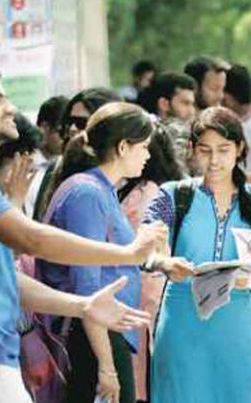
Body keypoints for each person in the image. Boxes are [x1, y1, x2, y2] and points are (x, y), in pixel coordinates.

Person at [0, 63, 167, 403]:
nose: (10, 107)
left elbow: (8, 279)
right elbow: (32, 240)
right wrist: (128, 254)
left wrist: (83, 305)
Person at [37, 102, 191, 403]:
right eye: (144, 147)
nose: (148, 155)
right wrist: (107, 367)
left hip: (106, 330)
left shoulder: (101, 189)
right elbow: (88, 286)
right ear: (123, 147)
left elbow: (112, 258)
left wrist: (160, 262)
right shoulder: (88, 193)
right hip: (94, 336)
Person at [146, 107, 251, 403]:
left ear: (239, 149)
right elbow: (146, 246)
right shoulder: (173, 195)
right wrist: (164, 262)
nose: (214, 161)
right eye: (206, 150)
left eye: (224, 150)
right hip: (181, 325)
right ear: (192, 150)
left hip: (238, 326)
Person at [117, 124, 183, 403]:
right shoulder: (145, 191)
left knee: (143, 379)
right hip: (144, 296)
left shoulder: (147, 195)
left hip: (144, 297)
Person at [33, 87, 122, 221]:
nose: (73, 129)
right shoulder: (57, 168)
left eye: (81, 123)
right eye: (70, 122)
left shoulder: (131, 173)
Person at [137, 71, 198, 175]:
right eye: (185, 103)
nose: (192, 111)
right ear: (164, 104)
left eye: (192, 104)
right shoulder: (147, 136)